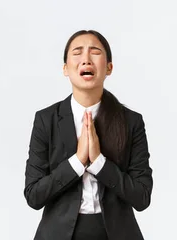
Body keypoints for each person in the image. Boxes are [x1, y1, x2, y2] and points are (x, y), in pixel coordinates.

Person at [23, 30, 153, 240]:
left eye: (95, 52)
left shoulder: (131, 122)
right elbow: (34, 196)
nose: (86, 59)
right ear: (65, 68)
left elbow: (142, 197)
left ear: (109, 67)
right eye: (77, 52)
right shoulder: (46, 120)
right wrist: (77, 162)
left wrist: (99, 163)